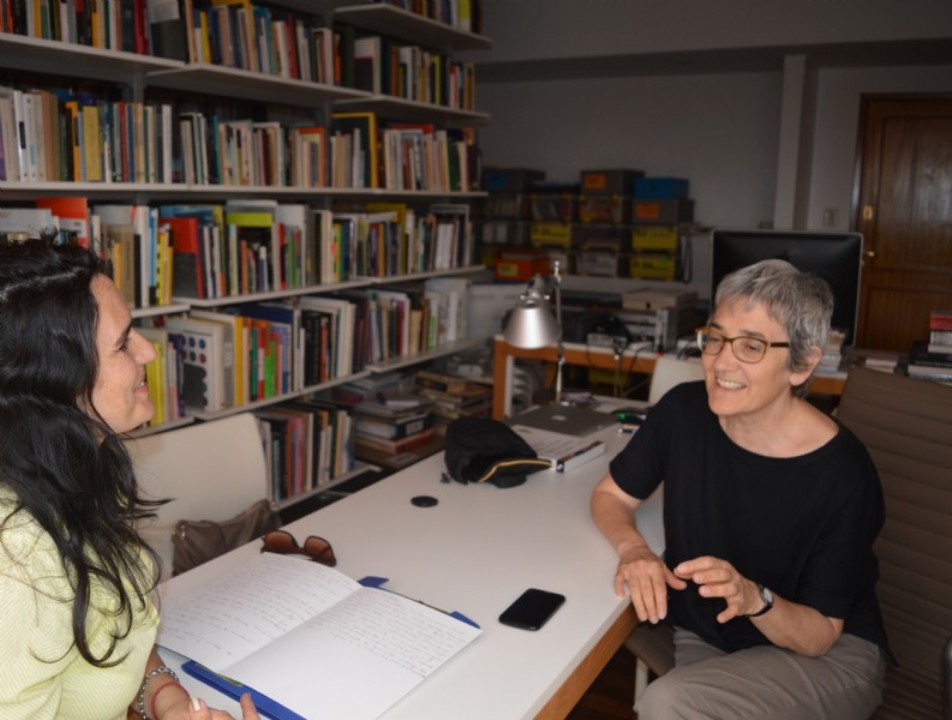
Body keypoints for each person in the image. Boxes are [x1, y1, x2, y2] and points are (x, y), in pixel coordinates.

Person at [591, 259, 889, 719]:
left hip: (823, 654)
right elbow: (610, 495)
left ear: (802, 364)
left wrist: (754, 598)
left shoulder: (844, 475)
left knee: (668, 705)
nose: (721, 361)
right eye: (715, 338)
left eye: (751, 346)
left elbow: (819, 634)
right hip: (713, 635)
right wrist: (634, 549)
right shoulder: (683, 413)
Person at [0, 237, 259, 720]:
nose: (149, 353)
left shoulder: (78, 466)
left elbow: (114, 628)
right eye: (122, 343)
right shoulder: (15, 566)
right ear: (55, 382)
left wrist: (169, 699)